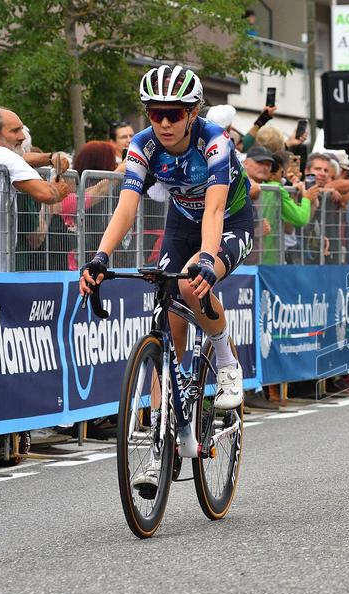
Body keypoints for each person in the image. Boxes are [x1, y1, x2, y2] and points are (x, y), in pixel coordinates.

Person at [78, 65, 254, 494]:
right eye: (155, 113)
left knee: (193, 284)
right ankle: (161, 447)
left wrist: (209, 261)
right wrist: (101, 257)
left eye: (174, 113)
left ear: (193, 113)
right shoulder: (142, 146)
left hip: (229, 220)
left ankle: (226, 361)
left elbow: (214, 211)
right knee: (168, 328)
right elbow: (126, 206)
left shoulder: (214, 141)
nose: (164, 122)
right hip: (182, 222)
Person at [0, 107, 71, 271]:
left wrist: (49, 158)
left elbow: (21, 158)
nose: (22, 136)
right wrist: (58, 188)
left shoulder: (2, 157)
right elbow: (47, 193)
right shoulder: (5, 156)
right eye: (15, 131)